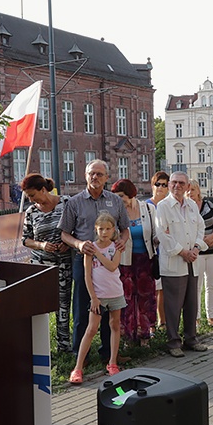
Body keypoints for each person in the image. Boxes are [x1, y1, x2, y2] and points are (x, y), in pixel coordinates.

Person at [58, 160, 130, 365]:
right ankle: (81, 355)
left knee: (111, 304)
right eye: (91, 173)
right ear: (85, 175)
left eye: (99, 174)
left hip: (109, 261)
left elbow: (125, 228)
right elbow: (64, 233)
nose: (95, 177)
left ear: (107, 178)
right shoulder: (74, 202)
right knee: (83, 306)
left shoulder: (116, 201)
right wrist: (79, 244)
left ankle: (109, 353)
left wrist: (122, 243)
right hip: (85, 260)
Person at [156, 172, 209, 356]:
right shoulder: (163, 207)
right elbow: (162, 234)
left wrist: (195, 248)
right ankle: (173, 342)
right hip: (174, 262)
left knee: (191, 303)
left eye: (181, 183)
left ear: (188, 186)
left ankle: (191, 338)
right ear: (169, 185)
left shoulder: (192, 205)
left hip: (192, 261)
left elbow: (201, 228)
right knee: (173, 305)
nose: (177, 186)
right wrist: (182, 252)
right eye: (174, 182)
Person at [69, 212, 126, 383]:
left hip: (115, 293)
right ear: (96, 229)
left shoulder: (116, 247)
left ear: (113, 229)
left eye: (108, 229)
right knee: (91, 329)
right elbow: (87, 275)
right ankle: (78, 368)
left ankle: (112, 362)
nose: (105, 232)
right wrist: (93, 297)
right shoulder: (89, 249)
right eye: (101, 229)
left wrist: (98, 254)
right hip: (99, 296)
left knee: (115, 325)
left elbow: (112, 266)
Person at [20, 173, 72, 354]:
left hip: (64, 264)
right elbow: (25, 240)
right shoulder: (31, 211)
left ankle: (64, 346)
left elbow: (77, 227)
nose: (32, 200)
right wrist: (41, 245)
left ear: (43, 189)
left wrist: (68, 243)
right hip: (41, 265)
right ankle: (40, 346)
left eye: (33, 195)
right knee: (39, 305)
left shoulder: (66, 203)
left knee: (63, 304)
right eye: (28, 197)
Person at [112, 179, 157, 347]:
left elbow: (155, 232)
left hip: (145, 259)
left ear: (131, 194)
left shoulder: (148, 209)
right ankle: (128, 338)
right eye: (116, 196)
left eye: (121, 196)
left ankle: (145, 335)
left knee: (146, 298)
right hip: (124, 261)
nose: (119, 199)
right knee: (127, 299)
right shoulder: (115, 212)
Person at [187, 180, 213, 328]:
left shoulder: (208, 204)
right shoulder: (185, 208)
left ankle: (211, 317)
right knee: (196, 286)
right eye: (188, 190)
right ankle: (196, 318)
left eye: (193, 190)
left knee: (212, 285)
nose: (190, 193)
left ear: (198, 191)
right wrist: (201, 240)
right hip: (197, 252)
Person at [148, 171, 169, 330]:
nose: (160, 187)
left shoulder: (169, 205)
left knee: (163, 290)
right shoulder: (147, 206)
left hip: (168, 252)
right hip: (152, 254)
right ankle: (150, 324)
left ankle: (163, 322)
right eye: (158, 184)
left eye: (164, 185)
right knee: (152, 291)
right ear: (152, 185)